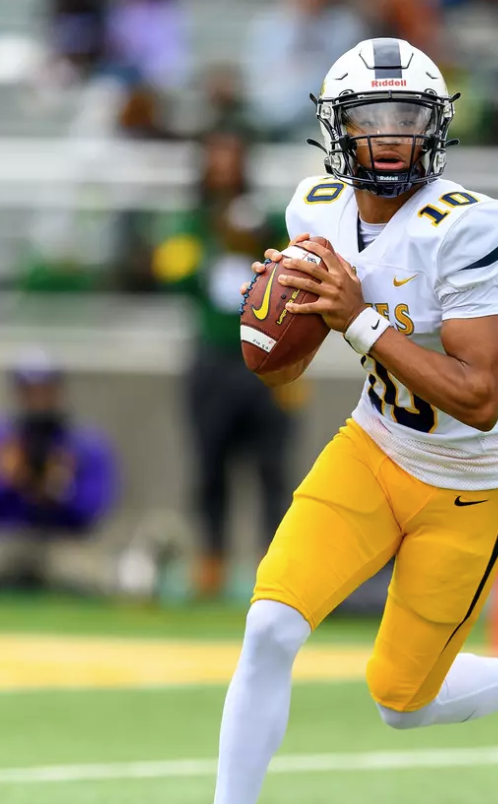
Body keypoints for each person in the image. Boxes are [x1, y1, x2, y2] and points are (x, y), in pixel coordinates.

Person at [212, 38, 498, 804]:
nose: (389, 136)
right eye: (370, 118)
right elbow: (280, 371)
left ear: (436, 128)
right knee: (269, 627)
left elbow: (482, 397)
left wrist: (361, 323)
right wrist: (279, 320)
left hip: (470, 484)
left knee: (401, 701)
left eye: (406, 118)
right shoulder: (313, 208)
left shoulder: (466, 227)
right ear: (336, 129)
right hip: (374, 447)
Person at [153, 128, 303, 600]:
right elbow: (169, 271)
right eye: (215, 158)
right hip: (214, 359)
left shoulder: (272, 219)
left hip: (269, 365)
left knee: (273, 468)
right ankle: (211, 565)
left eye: (232, 157)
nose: (223, 167)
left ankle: (274, 569)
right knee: (210, 465)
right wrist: (213, 244)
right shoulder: (192, 224)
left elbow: (298, 265)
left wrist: (257, 243)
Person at [0, 350, 119, 594]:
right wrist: (2, 478)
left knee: (92, 574)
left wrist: (60, 490)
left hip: (61, 547)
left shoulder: (81, 443)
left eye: (45, 389)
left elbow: (94, 513)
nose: (38, 399)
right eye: (29, 391)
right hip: (2, 543)